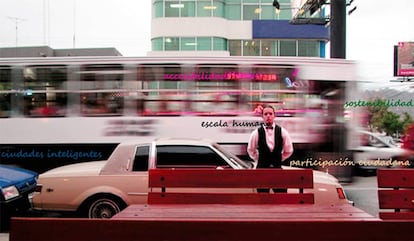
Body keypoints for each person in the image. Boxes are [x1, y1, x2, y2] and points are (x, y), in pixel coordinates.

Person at [247, 104, 294, 193]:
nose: (268, 116)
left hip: (278, 171)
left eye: (270, 114)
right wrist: (260, 159)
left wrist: (279, 158)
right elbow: (250, 150)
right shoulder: (256, 133)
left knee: (281, 197)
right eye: (266, 114)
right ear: (262, 117)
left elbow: (289, 150)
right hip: (261, 172)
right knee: (262, 198)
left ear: (274, 116)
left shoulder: (283, 132)